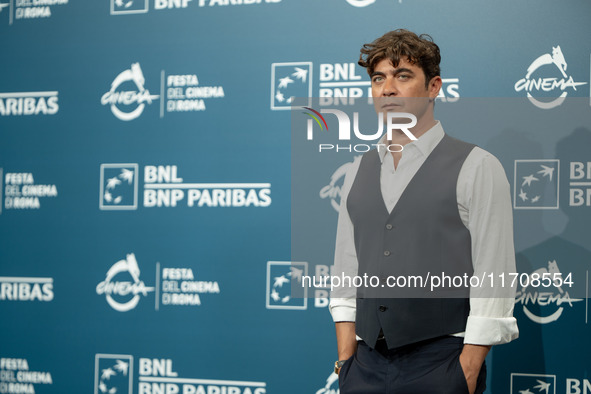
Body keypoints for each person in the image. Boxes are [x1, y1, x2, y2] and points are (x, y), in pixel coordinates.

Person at [329, 29, 519, 394]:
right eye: (378, 78)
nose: (387, 89)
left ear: (433, 87)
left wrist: (467, 367)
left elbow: (494, 271)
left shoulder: (477, 165)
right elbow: (346, 269)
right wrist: (346, 360)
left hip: (441, 363)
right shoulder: (357, 169)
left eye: (402, 76)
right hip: (363, 365)